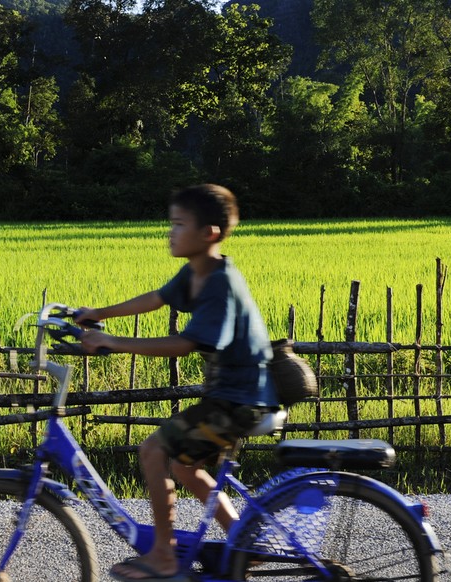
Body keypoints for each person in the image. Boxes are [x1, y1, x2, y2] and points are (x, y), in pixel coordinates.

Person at [78, 184, 278, 582]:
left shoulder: (221, 284)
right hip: (232, 397)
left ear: (210, 234)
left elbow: (184, 344)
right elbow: (156, 298)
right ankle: (244, 541)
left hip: (238, 401)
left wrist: (113, 342)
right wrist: (98, 313)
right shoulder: (196, 272)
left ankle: (164, 558)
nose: (170, 232)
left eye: (179, 224)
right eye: (171, 223)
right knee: (185, 467)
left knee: (154, 449)